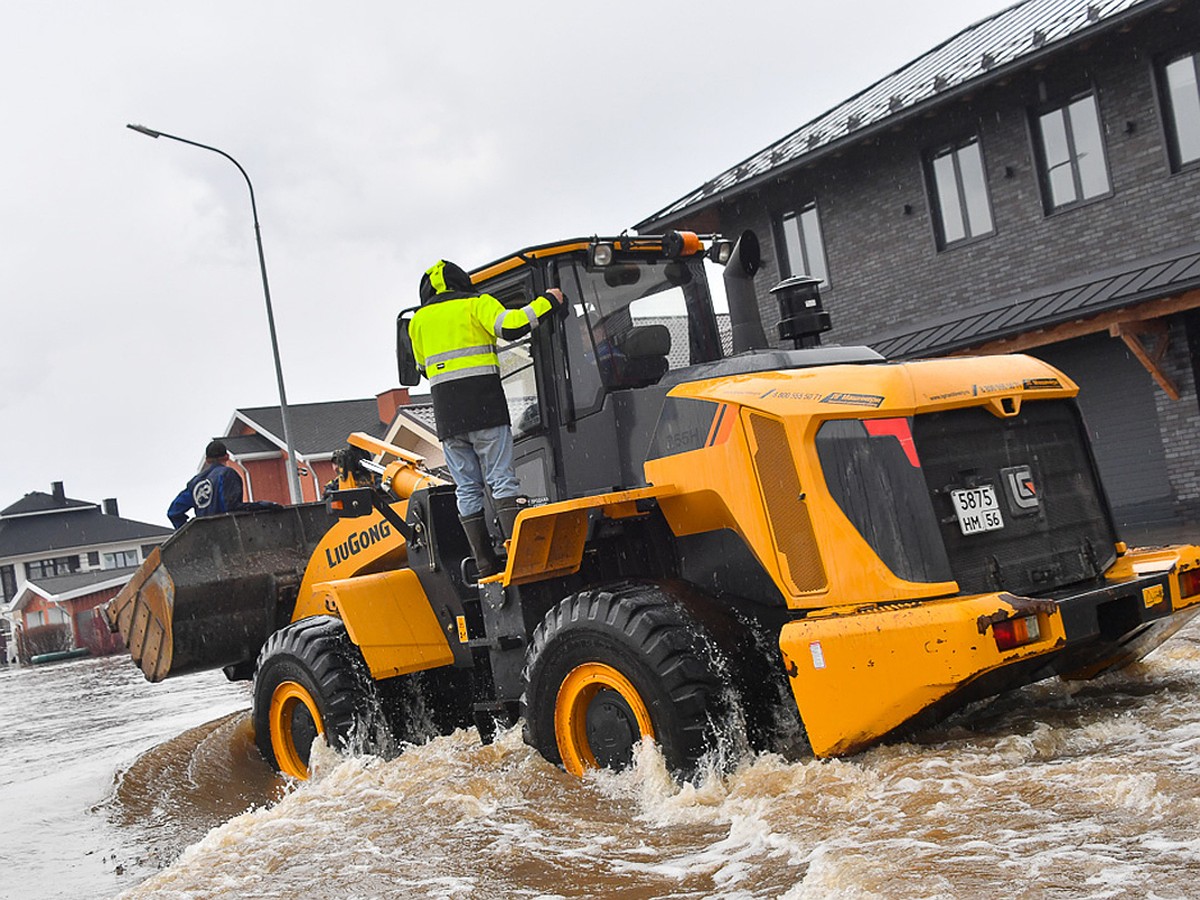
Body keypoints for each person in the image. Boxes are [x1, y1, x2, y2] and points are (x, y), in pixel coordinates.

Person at [408, 259, 566, 576]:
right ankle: (516, 554)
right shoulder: (477, 304)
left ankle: (484, 563)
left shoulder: (418, 321)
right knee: (502, 481)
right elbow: (513, 325)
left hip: (448, 421)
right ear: (461, 283)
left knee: (466, 489)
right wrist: (549, 300)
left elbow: (422, 368)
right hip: (485, 409)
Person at [167, 440, 250, 528]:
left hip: (206, 538)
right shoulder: (227, 474)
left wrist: (190, 532)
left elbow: (174, 512)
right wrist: (262, 506)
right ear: (227, 457)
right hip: (228, 533)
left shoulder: (195, 482)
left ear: (207, 460)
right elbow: (232, 507)